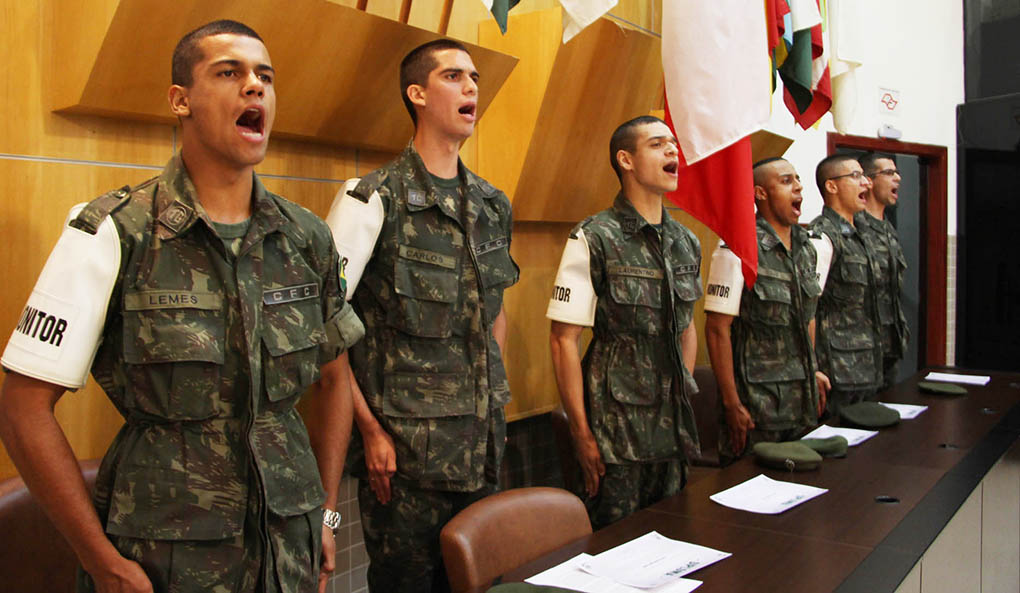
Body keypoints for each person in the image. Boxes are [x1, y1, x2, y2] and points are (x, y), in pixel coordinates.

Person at [0, 20, 363, 593]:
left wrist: (324, 512)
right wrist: (101, 561)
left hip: (287, 551)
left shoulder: (306, 237)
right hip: (163, 562)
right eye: (229, 73)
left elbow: (334, 378)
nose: (254, 87)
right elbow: (22, 406)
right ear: (181, 100)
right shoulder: (114, 231)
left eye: (264, 77)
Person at [323, 39, 518, 593]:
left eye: (474, 78)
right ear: (417, 94)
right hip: (404, 458)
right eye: (454, 76)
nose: (471, 88)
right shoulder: (372, 198)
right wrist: (369, 430)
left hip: (481, 449)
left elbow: (495, 315)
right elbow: (327, 325)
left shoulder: (491, 204)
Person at [546, 115, 701, 529]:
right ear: (625, 160)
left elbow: (687, 327)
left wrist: (681, 385)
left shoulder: (686, 242)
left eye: (673, 143)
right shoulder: (594, 236)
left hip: (672, 434)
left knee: (673, 538)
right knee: (615, 546)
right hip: (616, 433)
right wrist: (580, 433)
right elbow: (564, 339)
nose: (673, 150)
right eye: (657, 144)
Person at [703, 158, 831, 464]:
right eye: (786, 181)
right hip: (757, 404)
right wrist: (731, 402)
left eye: (798, 179)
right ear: (760, 193)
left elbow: (807, 317)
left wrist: (812, 368)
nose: (798, 187)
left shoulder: (809, 247)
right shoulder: (737, 248)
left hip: (801, 400)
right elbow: (717, 329)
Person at [809, 154, 883, 415]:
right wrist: (813, 367)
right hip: (835, 370)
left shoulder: (863, 234)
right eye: (855, 176)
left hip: (866, 364)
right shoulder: (822, 236)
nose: (866, 183)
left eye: (864, 176)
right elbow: (809, 308)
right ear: (832, 186)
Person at [856, 152, 909, 389]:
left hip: (889, 346)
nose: (897, 178)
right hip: (857, 351)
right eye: (889, 173)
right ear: (868, 180)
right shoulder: (853, 226)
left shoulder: (889, 229)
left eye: (897, 172)